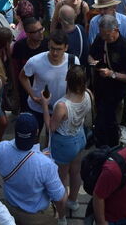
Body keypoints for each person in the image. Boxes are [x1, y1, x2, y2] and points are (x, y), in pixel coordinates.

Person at [0, 112, 67, 225]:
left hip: (10, 210)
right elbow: (59, 198)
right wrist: (61, 217)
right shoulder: (46, 164)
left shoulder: (0, 148)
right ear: (36, 132)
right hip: (38, 217)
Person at [40, 65, 92, 212]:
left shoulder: (62, 105)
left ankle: (61, 210)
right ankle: (73, 202)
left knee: (62, 177)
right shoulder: (88, 94)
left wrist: (45, 105)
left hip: (64, 143)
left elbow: (51, 127)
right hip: (80, 137)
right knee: (76, 172)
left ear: (67, 80)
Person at [89, 14, 126, 146]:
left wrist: (112, 74)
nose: (104, 38)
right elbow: (91, 55)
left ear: (116, 30)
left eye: (107, 35)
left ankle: (111, 148)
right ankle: (99, 144)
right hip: (99, 89)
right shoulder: (101, 39)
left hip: (115, 94)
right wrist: (94, 63)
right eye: (102, 34)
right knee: (99, 120)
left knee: (110, 124)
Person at [19, 30, 78, 132]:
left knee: (52, 138)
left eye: (59, 49)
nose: (55, 53)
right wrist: (33, 96)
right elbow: (23, 76)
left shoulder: (73, 61)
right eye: (52, 48)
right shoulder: (35, 61)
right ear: (48, 45)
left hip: (60, 110)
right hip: (37, 108)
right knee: (33, 138)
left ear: (66, 48)